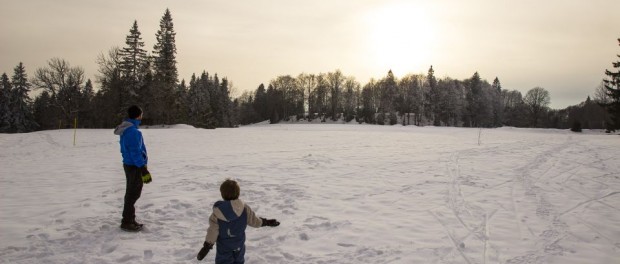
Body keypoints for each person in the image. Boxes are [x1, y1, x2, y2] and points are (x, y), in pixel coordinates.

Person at [197, 179, 280, 263]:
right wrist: (266, 222)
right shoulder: (244, 208)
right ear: (238, 193)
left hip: (224, 249)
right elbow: (254, 221)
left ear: (222, 194)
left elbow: (213, 231)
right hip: (238, 246)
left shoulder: (217, 213)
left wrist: (206, 247)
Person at [114, 105, 152, 232]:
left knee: (132, 192)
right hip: (134, 166)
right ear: (138, 115)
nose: (142, 116)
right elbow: (134, 151)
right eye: (141, 113)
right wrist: (142, 168)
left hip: (130, 164)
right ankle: (126, 221)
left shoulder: (128, 128)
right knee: (132, 193)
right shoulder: (133, 132)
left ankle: (130, 219)